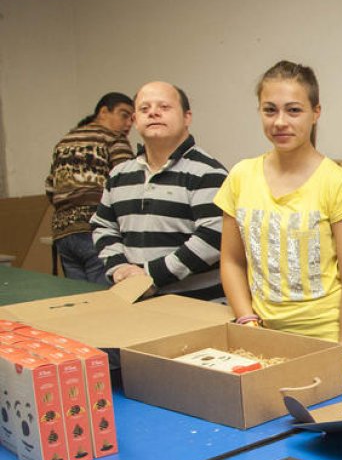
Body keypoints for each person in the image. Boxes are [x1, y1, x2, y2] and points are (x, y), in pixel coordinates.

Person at [214, 61, 342, 379]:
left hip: (328, 345)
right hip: (265, 346)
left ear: (316, 112)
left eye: (294, 110)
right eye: (270, 110)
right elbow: (231, 261)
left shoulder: (336, 183)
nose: (280, 122)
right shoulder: (241, 176)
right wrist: (246, 321)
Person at [92, 81, 227, 300]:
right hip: (136, 300)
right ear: (135, 120)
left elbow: (213, 237)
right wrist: (119, 267)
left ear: (187, 117)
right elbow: (103, 226)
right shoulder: (118, 175)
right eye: (144, 109)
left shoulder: (208, 173)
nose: (153, 113)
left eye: (164, 107)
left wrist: (150, 275)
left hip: (197, 305)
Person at [45, 93, 135, 283]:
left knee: (80, 295)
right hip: (96, 229)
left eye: (132, 119)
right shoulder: (113, 138)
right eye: (124, 115)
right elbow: (128, 184)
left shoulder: (64, 142)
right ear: (103, 112)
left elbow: (50, 188)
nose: (129, 124)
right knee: (105, 296)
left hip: (63, 232)